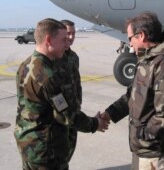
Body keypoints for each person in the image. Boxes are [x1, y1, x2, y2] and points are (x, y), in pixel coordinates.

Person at [14, 18, 108, 170]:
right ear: (49, 40)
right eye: (63, 39)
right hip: (45, 150)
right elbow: (66, 114)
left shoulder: (26, 64)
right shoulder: (46, 75)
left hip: (28, 143)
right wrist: (96, 123)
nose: (67, 44)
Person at [101, 12, 164, 170]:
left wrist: (143, 138)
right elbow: (132, 96)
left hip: (153, 154)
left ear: (141, 36)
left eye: (130, 37)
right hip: (142, 150)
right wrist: (110, 113)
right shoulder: (146, 60)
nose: (129, 43)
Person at [55, 19, 82, 162]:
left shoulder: (73, 57)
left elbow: (77, 84)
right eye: (68, 33)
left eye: (74, 33)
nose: (71, 37)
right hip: (59, 117)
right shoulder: (53, 58)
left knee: (69, 151)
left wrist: (78, 105)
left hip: (74, 113)